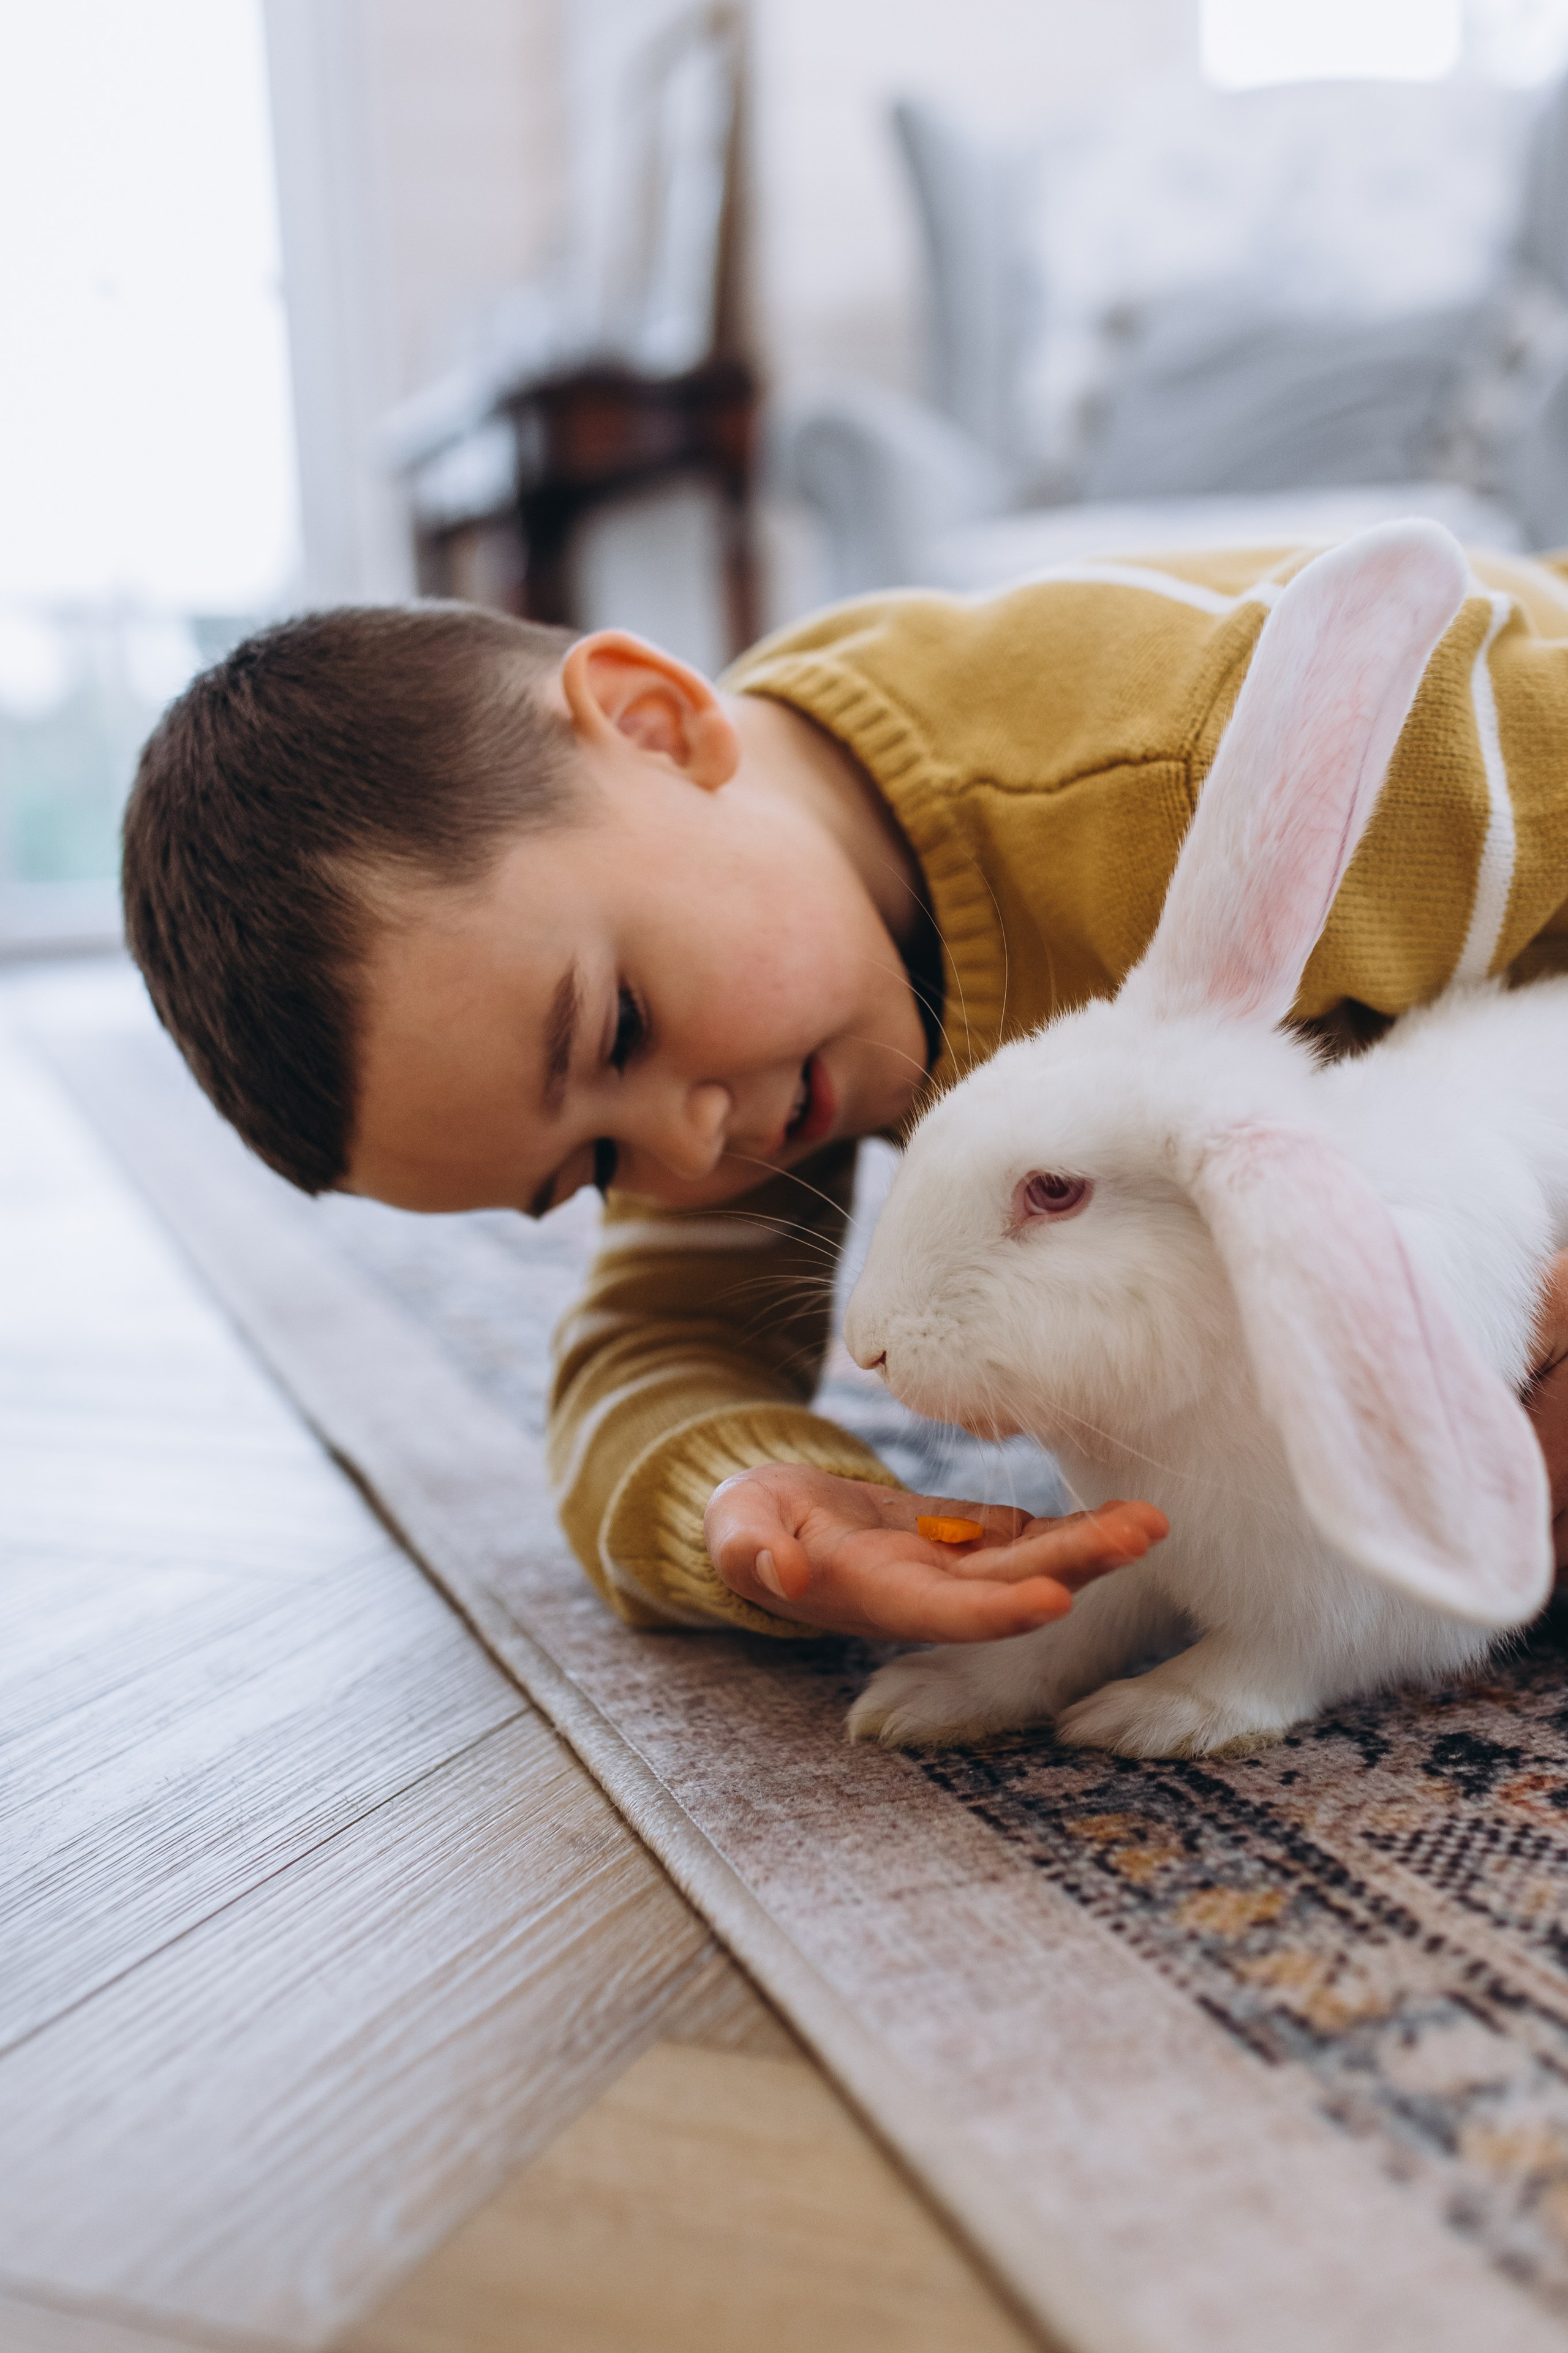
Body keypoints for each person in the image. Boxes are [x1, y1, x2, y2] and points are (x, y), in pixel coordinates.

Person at [121, 543, 1568, 1647]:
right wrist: (763, 1512)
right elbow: (646, 1353)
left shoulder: (1172, 770)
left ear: (654, 729)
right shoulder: (728, 1022)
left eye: (618, 1027)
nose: (691, 1140)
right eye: (592, 1171)